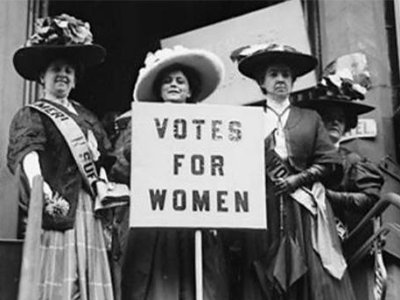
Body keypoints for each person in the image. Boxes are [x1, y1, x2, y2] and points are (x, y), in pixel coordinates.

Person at [228, 43, 355, 300]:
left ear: (293, 81)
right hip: (262, 207)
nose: (280, 80)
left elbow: (330, 162)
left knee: (310, 271)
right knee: (262, 272)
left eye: (286, 75)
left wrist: (298, 179)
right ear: (262, 82)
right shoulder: (245, 119)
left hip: (303, 208)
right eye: (273, 74)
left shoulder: (310, 118)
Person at [7, 14, 114, 299]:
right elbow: (29, 155)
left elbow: (101, 161)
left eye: (68, 70)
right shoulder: (31, 114)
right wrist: (40, 190)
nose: (63, 74)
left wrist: (103, 188)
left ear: (75, 79)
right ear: (43, 77)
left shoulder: (88, 117)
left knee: (87, 277)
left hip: (88, 206)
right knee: (60, 278)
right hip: (57, 204)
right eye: (56, 69)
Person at [109, 46, 229, 300]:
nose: (174, 85)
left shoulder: (206, 124)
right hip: (155, 219)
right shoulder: (139, 122)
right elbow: (120, 168)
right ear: (159, 90)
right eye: (167, 81)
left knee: (196, 279)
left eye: (180, 81)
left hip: (195, 216)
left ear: (189, 90)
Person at [296, 59, 384, 237]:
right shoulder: (299, 155)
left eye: (340, 119)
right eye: (329, 117)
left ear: (346, 126)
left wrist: (328, 196)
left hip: (333, 234)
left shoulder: (352, 162)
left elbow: (369, 198)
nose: (335, 122)